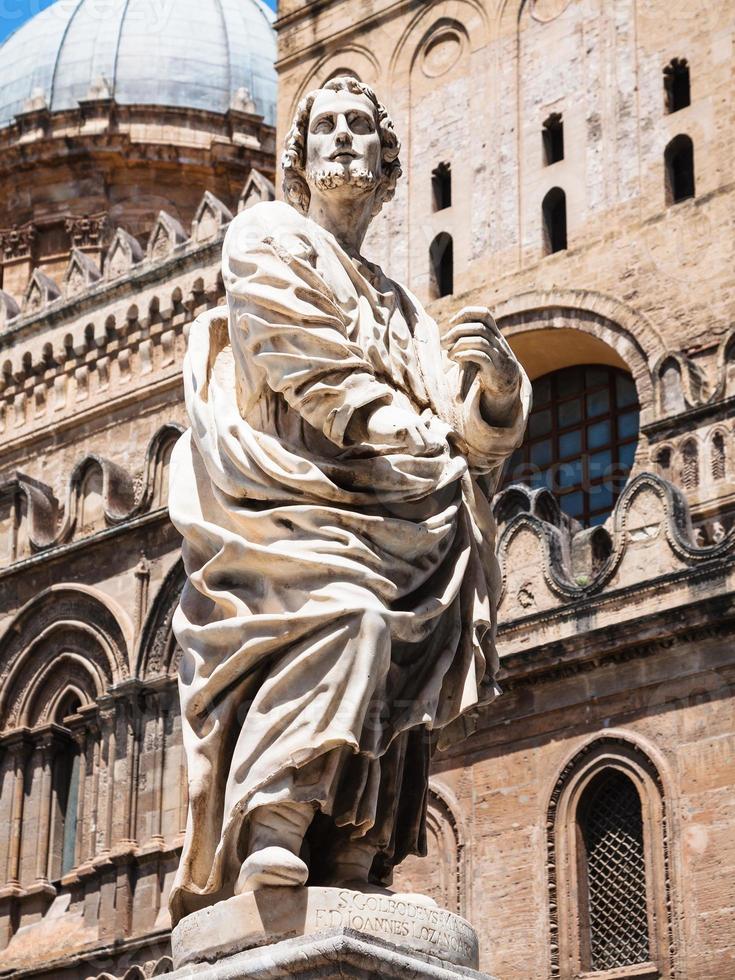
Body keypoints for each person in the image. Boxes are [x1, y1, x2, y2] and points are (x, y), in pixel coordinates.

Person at [168, 76, 530, 923]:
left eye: (359, 128)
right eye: (323, 126)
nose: (340, 140)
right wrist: (411, 438)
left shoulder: (404, 308)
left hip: (392, 514)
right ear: (296, 159)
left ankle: (354, 844)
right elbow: (307, 365)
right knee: (356, 615)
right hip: (287, 509)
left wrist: (500, 395)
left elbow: (467, 435)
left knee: (418, 613)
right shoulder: (266, 237)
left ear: (385, 161)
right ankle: (278, 819)